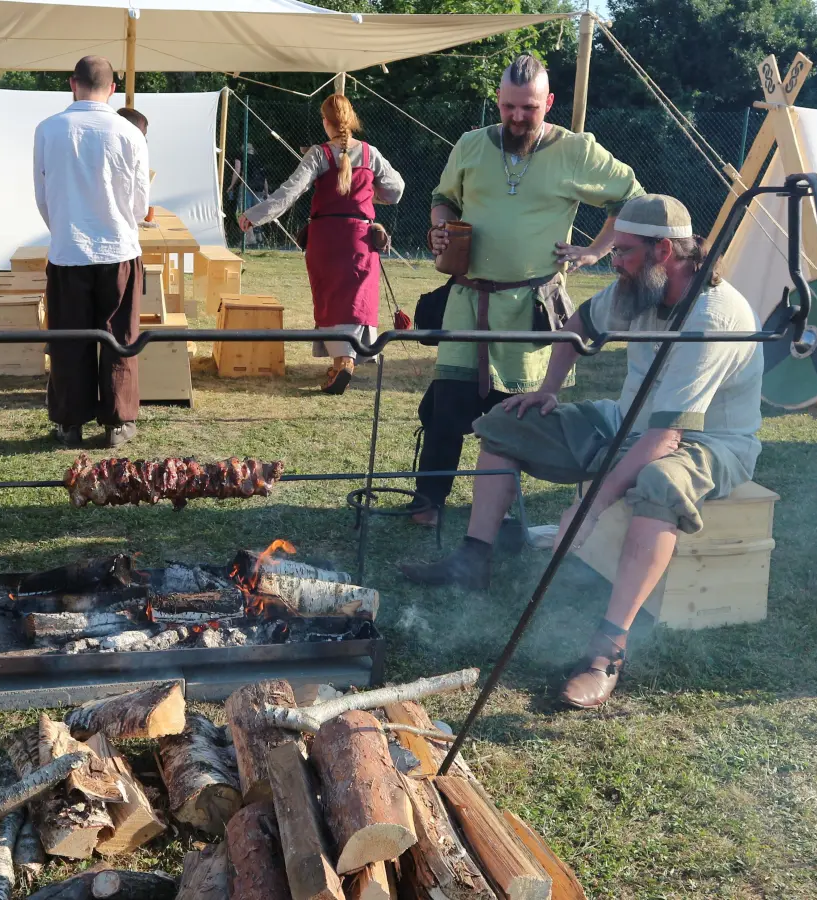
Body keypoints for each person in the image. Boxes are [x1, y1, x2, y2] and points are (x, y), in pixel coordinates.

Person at [400, 195, 765, 710]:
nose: (613, 261)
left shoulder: (711, 318)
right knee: (505, 423)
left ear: (664, 250)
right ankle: (473, 560)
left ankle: (607, 650)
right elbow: (576, 327)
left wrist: (590, 506)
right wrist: (550, 388)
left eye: (625, 252)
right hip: (630, 424)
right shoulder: (636, 287)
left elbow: (667, 438)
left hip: (709, 442)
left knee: (657, 482)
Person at [414, 55, 643, 522]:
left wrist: (596, 250)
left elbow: (631, 196)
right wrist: (441, 229)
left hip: (529, 307)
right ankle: (428, 502)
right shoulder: (471, 145)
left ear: (549, 102)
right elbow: (443, 199)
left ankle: (502, 512)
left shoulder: (576, 152)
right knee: (446, 405)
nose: (518, 117)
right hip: (466, 300)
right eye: (509, 107)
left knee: (514, 414)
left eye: (529, 108)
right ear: (497, 101)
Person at [238, 94, 405, 393]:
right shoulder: (370, 154)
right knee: (355, 302)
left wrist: (254, 216)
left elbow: (289, 192)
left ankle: (342, 363)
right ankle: (346, 360)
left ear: (326, 122)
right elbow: (396, 189)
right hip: (359, 240)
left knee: (331, 303)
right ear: (351, 120)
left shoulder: (317, 154)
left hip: (326, 240)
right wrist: (371, 195)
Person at [34, 56, 151, 449]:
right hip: (118, 249)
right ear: (113, 89)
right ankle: (118, 422)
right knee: (119, 336)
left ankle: (70, 422)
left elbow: (43, 197)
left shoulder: (47, 130)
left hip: (69, 251)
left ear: (73, 83)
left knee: (69, 339)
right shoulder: (130, 132)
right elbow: (139, 203)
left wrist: (66, 229)